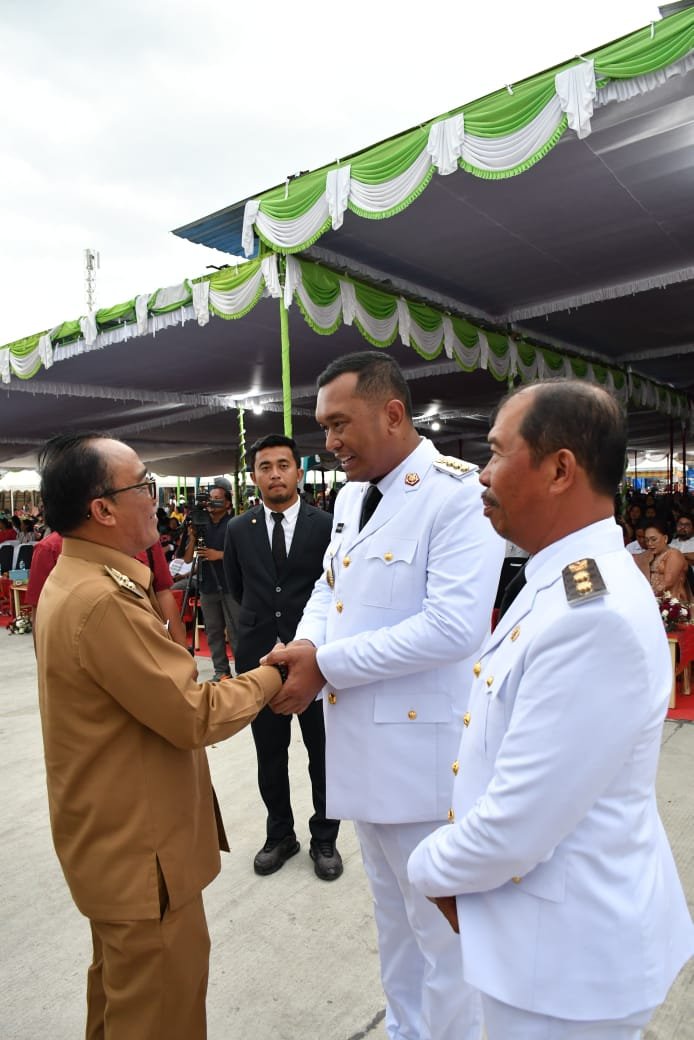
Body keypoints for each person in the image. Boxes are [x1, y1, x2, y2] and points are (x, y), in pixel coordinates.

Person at [406, 380, 694, 1040]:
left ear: (560, 469)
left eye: (496, 451)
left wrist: (425, 867)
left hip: (567, 969)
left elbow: (517, 826)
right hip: (540, 944)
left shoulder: (593, 616)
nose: (482, 474)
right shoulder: (565, 578)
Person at [264, 351, 504, 1040]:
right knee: (394, 924)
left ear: (393, 413)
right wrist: (306, 645)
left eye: (340, 424)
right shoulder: (349, 497)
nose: (329, 441)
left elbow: (452, 628)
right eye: (323, 426)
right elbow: (329, 589)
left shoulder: (457, 494)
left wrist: (326, 666)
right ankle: (405, 1030)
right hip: (363, 753)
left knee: (446, 939)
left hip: (426, 765)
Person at [34, 433, 284, 1040]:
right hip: (142, 857)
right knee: (161, 1014)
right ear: (102, 508)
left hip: (114, 847)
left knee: (122, 1005)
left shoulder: (79, 578)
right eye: (144, 485)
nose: (156, 497)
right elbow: (193, 713)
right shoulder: (103, 601)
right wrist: (272, 676)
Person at [224, 433, 341, 880]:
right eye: (265, 467)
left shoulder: (326, 525)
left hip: (316, 660)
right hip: (259, 661)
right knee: (269, 755)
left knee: (323, 753)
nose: (275, 474)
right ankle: (280, 835)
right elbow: (237, 588)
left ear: (298, 471)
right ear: (254, 476)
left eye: (283, 465)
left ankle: (325, 838)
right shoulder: (239, 529)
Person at [25, 530, 188, 647]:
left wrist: (182, 652)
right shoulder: (50, 549)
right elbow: (41, 613)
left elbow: (162, 594)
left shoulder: (147, 541)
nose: (151, 501)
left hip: (147, 644)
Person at [183, 478, 240, 680]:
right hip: (207, 586)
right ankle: (221, 671)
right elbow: (187, 559)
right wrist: (192, 537)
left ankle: (243, 670)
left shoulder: (234, 525)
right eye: (210, 498)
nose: (212, 502)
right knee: (213, 631)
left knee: (234, 631)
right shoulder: (202, 524)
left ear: (227, 503)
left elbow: (245, 555)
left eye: (218, 498)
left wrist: (219, 555)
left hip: (230, 586)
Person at [634, 519, 690, 603]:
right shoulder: (650, 555)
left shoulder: (674, 554)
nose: (649, 543)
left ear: (665, 538)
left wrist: (646, 597)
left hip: (672, 603)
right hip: (654, 600)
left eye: (653, 539)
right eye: (647, 540)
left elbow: (668, 582)